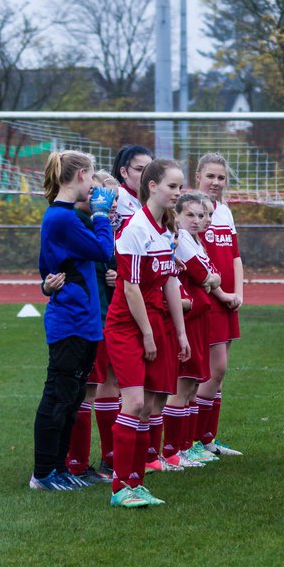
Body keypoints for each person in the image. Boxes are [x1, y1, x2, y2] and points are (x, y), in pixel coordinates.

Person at [102, 158, 191, 508]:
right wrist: (149, 335)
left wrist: (180, 332)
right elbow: (131, 289)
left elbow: (169, 281)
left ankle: (135, 481)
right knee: (135, 402)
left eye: (181, 186)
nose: (178, 193)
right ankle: (119, 485)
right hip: (128, 325)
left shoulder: (165, 228)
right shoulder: (135, 228)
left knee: (152, 405)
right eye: (172, 186)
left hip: (154, 321)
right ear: (152, 187)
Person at [29, 151, 115, 491]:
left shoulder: (66, 218)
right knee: (58, 396)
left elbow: (50, 267)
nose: (94, 183)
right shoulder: (61, 217)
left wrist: (47, 282)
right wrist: (102, 214)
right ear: (79, 175)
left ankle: (58, 469)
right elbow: (102, 250)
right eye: (92, 175)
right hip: (70, 321)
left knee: (72, 396)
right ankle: (44, 472)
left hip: (84, 320)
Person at [193, 153, 245, 457]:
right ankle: (193, 440)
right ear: (198, 175)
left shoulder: (225, 211)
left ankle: (208, 439)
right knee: (214, 370)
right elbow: (194, 262)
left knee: (219, 374)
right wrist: (222, 293)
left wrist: (238, 291)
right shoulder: (191, 211)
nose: (215, 182)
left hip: (228, 301)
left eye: (221, 177)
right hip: (209, 300)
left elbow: (235, 256)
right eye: (210, 176)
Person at [170, 190, 223, 468]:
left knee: (192, 385)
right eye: (189, 215)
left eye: (201, 215)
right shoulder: (180, 242)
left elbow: (211, 275)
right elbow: (204, 275)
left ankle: (186, 446)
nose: (196, 220)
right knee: (182, 384)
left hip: (199, 319)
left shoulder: (195, 242)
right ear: (176, 216)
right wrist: (212, 278)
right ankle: (172, 449)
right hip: (187, 321)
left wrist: (212, 278)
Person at [111, 144, 154, 232]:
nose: (146, 175)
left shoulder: (155, 201)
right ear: (124, 172)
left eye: (149, 170)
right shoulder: (117, 196)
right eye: (139, 169)